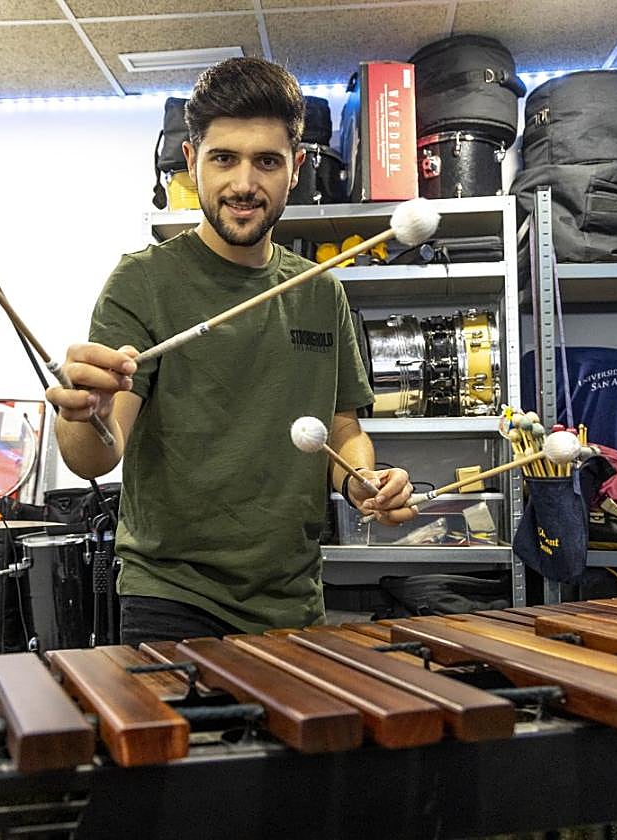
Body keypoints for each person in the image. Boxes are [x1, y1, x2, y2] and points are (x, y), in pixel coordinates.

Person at [47, 57, 414, 646]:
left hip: (294, 597)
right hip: (172, 597)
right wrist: (84, 415)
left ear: (295, 168)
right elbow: (95, 457)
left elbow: (342, 427)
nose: (244, 184)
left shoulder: (321, 292)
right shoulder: (143, 283)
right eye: (224, 158)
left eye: (266, 161)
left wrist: (362, 481)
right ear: (191, 160)